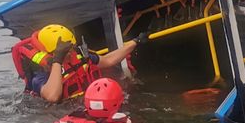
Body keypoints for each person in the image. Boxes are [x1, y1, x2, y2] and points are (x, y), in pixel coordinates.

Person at [11, 24, 146, 102]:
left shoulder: (78, 55)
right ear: (52, 53)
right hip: (59, 113)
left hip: (84, 103)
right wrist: (58, 60)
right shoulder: (40, 75)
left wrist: (135, 42)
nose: (70, 54)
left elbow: (108, 60)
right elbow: (52, 96)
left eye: (70, 49)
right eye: (65, 52)